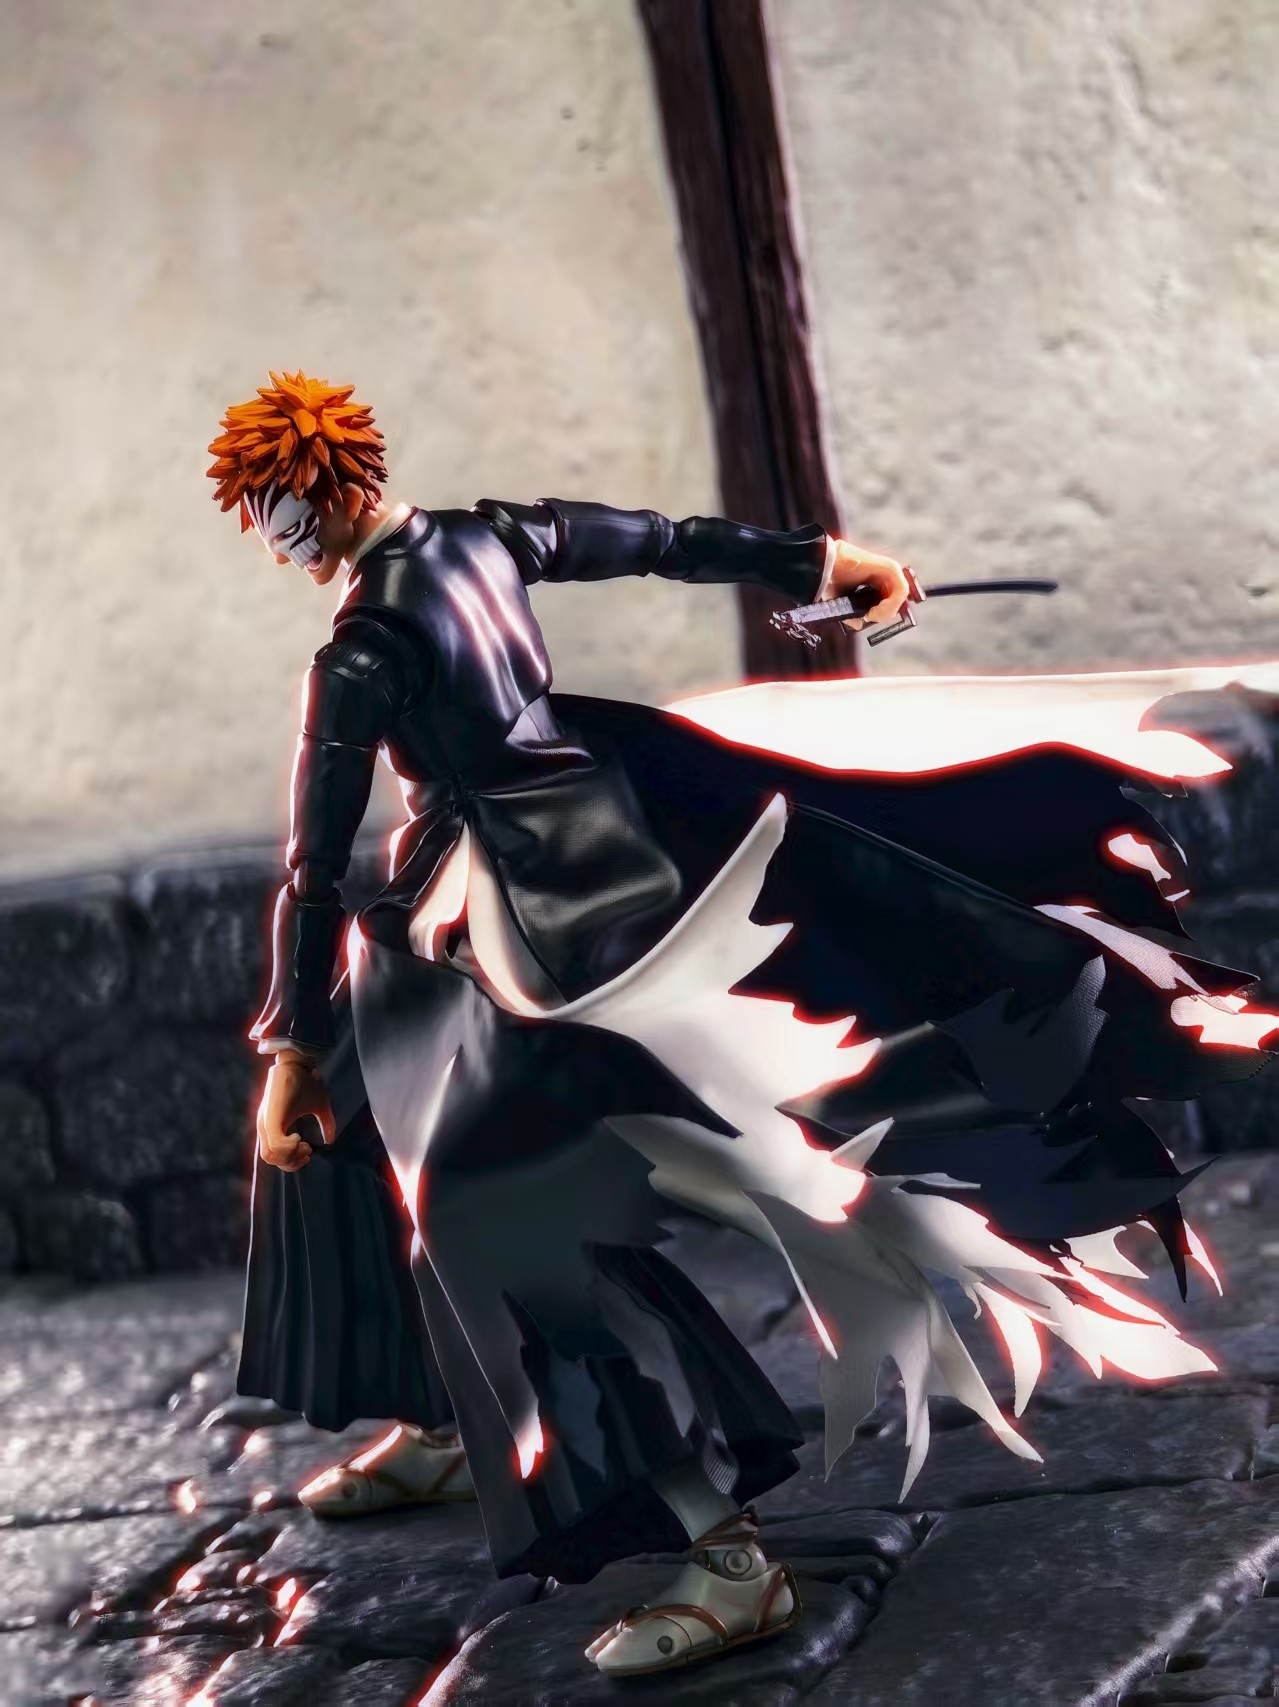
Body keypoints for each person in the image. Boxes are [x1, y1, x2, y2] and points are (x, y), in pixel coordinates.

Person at [210, 371, 1275, 1678]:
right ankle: (444, 1410)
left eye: (276, 513)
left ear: (323, 489)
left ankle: (726, 1560)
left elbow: (313, 867)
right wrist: (819, 560)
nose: (273, 542)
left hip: (540, 930)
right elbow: (657, 542)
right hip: (563, 863)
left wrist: (286, 1050)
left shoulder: (363, 656)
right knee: (370, 1099)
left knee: (508, 1220)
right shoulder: (484, 537)